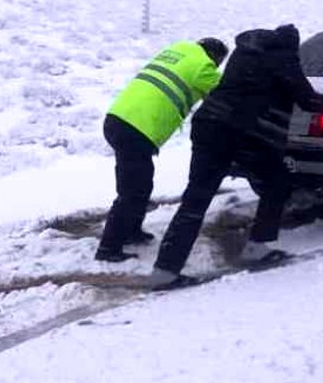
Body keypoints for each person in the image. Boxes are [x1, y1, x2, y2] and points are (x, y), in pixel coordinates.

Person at [150, 24, 323, 287]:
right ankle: (258, 247)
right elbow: (307, 100)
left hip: (209, 125)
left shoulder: (244, 51)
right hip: (243, 133)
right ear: (292, 45)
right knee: (278, 181)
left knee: (196, 198)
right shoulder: (283, 56)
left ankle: (165, 271)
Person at [95, 36, 230, 262]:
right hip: (136, 129)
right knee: (132, 191)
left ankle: (131, 231)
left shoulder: (178, 50)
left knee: (141, 184)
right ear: (215, 58)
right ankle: (108, 248)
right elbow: (228, 92)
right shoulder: (203, 66)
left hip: (117, 119)